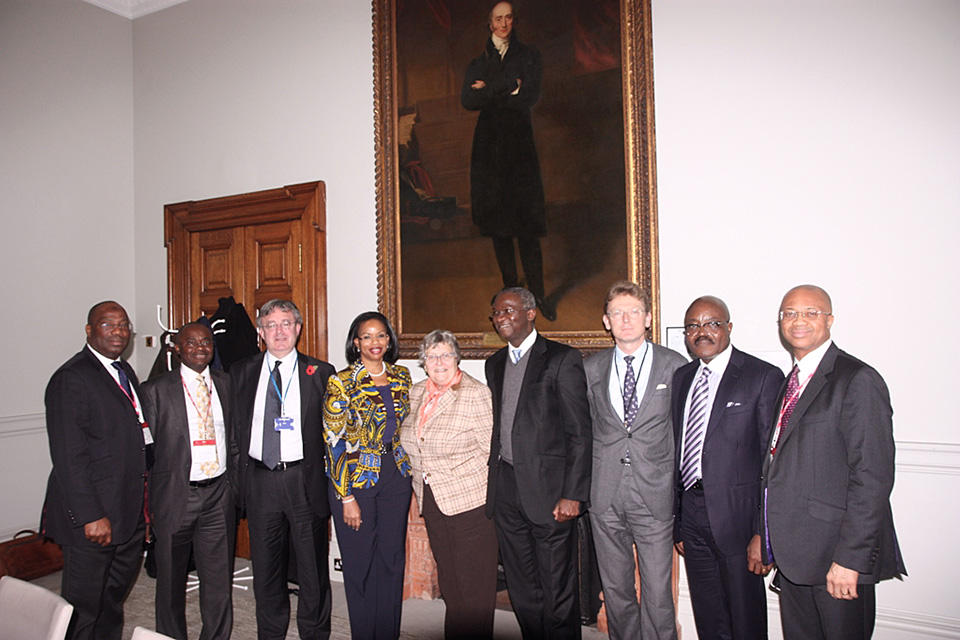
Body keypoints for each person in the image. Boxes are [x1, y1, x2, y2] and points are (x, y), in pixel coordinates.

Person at [761, 285, 906, 639]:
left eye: (810, 313)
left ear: (830, 320)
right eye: (790, 313)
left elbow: (872, 478)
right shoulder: (791, 381)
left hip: (836, 561)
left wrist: (851, 560)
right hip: (795, 557)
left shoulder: (857, 379)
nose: (799, 321)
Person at [671, 296, 783, 640]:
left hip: (739, 518)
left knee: (744, 616)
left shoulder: (761, 376)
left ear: (729, 328)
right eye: (693, 326)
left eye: (711, 323)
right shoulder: (682, 377)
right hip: (691, 513)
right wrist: (678, 521)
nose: (701, 332)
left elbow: (773, 461)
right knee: (708, 613)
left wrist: (763, 532)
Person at [485, 287, 591, 639]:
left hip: (551, 493)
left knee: (557, 586)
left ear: (530, 314)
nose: (502, 318)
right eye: (497, 313)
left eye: (509, 311)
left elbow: (579, 432)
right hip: (507, 489)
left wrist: (573, 494)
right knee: (522, 585)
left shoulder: (562, 358)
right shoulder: (495, 363)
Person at [40, 301, 149, 640]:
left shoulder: (124, 372)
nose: (118, 331)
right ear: (89, 330)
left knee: (112, 600)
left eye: (123, 325)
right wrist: (90, 515)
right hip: (95, 517)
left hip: (127, 511)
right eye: (108, 324)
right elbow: (69, 457)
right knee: (82, 608)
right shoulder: (71, 378)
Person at [583, 281, 685, 640]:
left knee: (658, 592)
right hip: (604, 493)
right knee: (616, 589)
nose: (626, 319)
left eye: (634, 312)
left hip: (653, 493)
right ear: (606, 322)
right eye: (617, 313)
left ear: (648, 318)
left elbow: (684, 434)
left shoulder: (674, 366)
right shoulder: (591, 369)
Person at [231, 299, 335, 640]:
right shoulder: (241, 371)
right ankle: (271, 632)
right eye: (271, 325)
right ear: (260, 332)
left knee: (312, 569)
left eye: (286, 323)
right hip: (260, 481)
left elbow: (333, 435)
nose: (279, 331)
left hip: (304, 480)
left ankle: (315, 633)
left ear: (298, 329)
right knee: (265, 569)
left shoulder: (320, 373)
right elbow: (234, 430)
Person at [142, 322, 239, 640]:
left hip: (218, 496)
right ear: (177, 348)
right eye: (192, 342)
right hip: (176, 496)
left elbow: (234, 440)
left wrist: (233, 489)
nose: (200, 347)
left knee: (218, 582)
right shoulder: (155, 390)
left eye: (206, 342)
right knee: (170, 583)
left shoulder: (226, 383)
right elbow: (146, 451)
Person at [399, 330, 498, 639]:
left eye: (445, 355)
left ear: (457, 358)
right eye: (431, 356)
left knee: (475, 588)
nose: (439, 361)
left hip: (470, 503)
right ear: (423, 362)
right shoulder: (415, 393)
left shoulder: (476, 393)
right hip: (431, 500)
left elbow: (490, 451)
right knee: (451, 583)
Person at [462, 2, 555, 322]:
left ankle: (539, 295)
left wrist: (488, 87)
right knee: (499, 226)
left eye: (508, 17)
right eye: (498, 18)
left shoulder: (529, 55)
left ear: (514, 21)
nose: (503, 23)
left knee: (526, 225)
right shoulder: (478, 62)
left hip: (519, 148)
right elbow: (467, 100)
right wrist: (506, 86)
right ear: (489, 23)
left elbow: (529, 94)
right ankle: (509, 293)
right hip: (489, 150)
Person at [324, 311, 413, 639]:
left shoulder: (402, 376)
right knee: (360, 563)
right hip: (355, 477)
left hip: (396, 475)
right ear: (356, 342)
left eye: (380, 335)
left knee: (391, 560)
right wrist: (345, 497)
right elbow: (332, 443)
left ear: (389, 340)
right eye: (367, 336)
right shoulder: (341, 380)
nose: (374, 342)